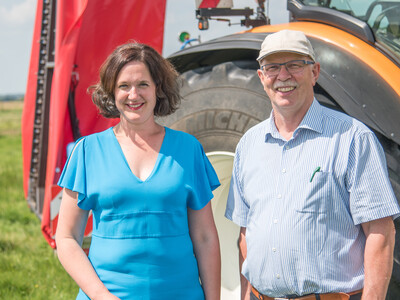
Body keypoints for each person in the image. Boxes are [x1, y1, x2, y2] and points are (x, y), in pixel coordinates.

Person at [225, 30, 400, 300]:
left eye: (295, 65)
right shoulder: (249, 144)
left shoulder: (353, 138)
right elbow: (246, 233)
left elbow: (380, 231)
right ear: (261, 77)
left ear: (315, 72)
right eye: (272, 67)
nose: (283, 76)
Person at [55, 42, 221, 300]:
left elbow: (205, 237)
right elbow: (66, 237)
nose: (134, 95)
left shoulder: (188, 149)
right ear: (111, 92)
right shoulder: (87, 151)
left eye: (143, 84)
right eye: (124, 86)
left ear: (158, 88)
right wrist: (102, 297)